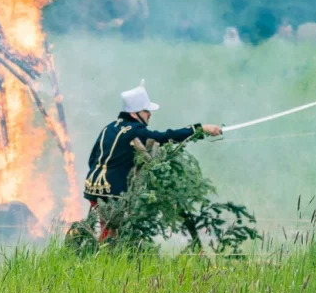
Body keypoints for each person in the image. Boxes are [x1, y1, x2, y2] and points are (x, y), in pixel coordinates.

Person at [83, 81, 222, 238]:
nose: (150, 114)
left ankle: (101, 249)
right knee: (113, 231)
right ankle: (109, 251)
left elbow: (92, 159)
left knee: (106, 227)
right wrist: (200, 128)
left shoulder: (109, 127)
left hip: (92, 186)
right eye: (146, 111)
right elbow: (165, 137)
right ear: (134, 114)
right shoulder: (136, 130)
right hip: (112, 191)